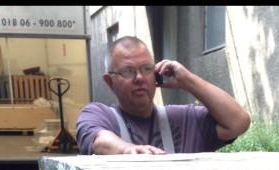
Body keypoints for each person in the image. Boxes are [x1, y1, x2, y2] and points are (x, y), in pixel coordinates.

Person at [76, 36, 251, 156]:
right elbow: (99, 140)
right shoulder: (99, 115)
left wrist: (188, 80)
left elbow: (238, 122)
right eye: (128, 71)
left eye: (147, 69)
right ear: (109, 81)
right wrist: (127, 150)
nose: (139, 78)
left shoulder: (184, 119)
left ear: (156, 75)